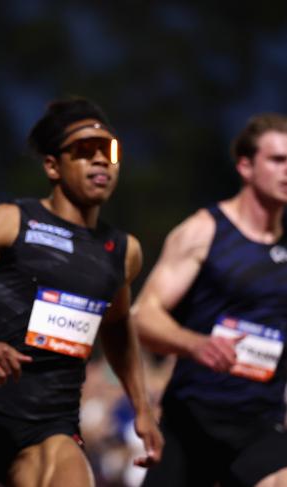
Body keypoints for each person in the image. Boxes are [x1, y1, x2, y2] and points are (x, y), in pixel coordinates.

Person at [0, 97, 163, 487]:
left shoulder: (123, 252)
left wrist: (142, 408)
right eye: (86, 151)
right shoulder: (9, 223)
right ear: (53, 165)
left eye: (110, 151)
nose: (102, 160)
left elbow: (118, 329)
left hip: (53, 425)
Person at [132, 113, 287, 487]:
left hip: (260, 425)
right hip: (193, 419)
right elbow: (143, 315)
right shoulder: (204, 231)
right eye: (278, 160)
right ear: (245, 166)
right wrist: (196, 344)